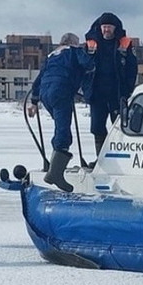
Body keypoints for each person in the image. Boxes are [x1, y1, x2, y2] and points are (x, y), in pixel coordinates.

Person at [28, 33, 94, 192]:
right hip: (61, 91)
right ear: (73, 43)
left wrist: (34, 101)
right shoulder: (73, 51)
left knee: (60, 127)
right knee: (63, 132)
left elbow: (38, 79)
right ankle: (55, 173)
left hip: (45, 94)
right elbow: (89, 64)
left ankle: (53, 169)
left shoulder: (51, 56)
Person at [82, 12, 138, 160]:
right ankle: (101, 158)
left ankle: (119, 158)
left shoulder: (124, 43)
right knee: (97, 128)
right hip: (97, 94)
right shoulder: (90, 44)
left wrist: (128, 90)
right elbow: (82, 66)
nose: (106, 30)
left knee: (119, 128)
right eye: (104, 27)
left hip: (117, 94)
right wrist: (85, 87)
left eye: (109, 27)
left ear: (115, 28)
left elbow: (132, 68)